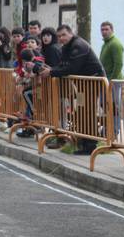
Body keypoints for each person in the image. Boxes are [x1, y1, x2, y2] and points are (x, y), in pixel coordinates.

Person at [39, 25, 105, 155]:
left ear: (71, 33)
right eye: (59, 36)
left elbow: (72, 68)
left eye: (63, 35)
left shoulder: (78, 45)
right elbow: (63, 65)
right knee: (81, 112)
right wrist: (50, 69)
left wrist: (51, 71)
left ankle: (90, 145)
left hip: (93, 81)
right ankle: (84, 142)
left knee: (88, 112)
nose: (61, 38)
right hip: (83, 83)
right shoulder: (66, 48)